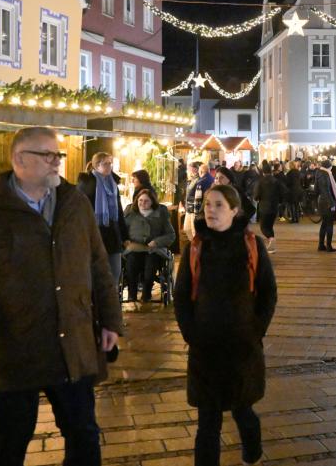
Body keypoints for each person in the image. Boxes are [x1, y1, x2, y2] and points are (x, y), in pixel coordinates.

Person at [0, 126, 121, 466]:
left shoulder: (75, 203)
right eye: (47, 155)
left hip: (73, 345)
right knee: (7, 446)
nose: (56, 162)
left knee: (84, 438)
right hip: (17, 351)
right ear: (18, 160)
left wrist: (111, 321)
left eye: (58, 155)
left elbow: (99, 266)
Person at [175, 182, 277, 466]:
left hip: (241, 347)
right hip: (205, 347)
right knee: (207, 423)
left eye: (219, 205)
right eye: (208, 204)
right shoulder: (195, 247)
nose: (211, 210)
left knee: (242, 410)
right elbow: (181, 295)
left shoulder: (252, 246)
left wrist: (257, 330)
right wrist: (190, 333)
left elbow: (268, 292)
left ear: (234, 210)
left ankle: (252, 454)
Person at [77, 152, 126, 288]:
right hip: (94, 233)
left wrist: (124, 235)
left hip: (112, 233)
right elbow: (80, 210)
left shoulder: (113, 184)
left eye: (110, 163)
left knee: (114, 273)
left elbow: (119, 211)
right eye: (106, 163)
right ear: (96, 165)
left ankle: (112, 303)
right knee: (94, 275)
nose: (109, 166)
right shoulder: (87, 183)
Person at [123, 185, 176, 307]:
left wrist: (157, 241)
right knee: (130, 267)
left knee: (150, 270)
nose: (143, 203)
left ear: (152, 201)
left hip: (154, 250)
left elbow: (171, 235)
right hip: (133, 248)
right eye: (140, 200)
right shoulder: (130, 212)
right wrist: (124, 240)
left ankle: (146, 293)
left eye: (146, 201)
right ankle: (132, 293)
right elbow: (122, 230)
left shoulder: (161, 213)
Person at [315, 159, 336, 252]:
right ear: (328, 166)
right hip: (327, 203)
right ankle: (329, 246)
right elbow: (326, 191)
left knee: (324, 224)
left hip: (321, 201)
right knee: (329, 224)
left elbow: (316, 190)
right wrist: (331, 204)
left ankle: (321, 245)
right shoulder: (326, 174)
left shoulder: (318, 173)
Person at [183, 163, 213, 244]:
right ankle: (194, 245)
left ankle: (195, 247)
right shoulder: (195, 179)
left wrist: (196, 212)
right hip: (191, 208)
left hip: (195, 209)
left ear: (199, 171)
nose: (188, 170)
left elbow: (198, 198)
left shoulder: (200, 181)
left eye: (190, 168)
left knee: (194, 232)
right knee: (188, 229)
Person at [255, 163, 281, 253]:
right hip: (274, 207)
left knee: (263, 227)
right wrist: (280, 200)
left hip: (264, 207)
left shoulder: (261, 181)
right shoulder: (276, 181)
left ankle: (271, 239)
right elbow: (284, 191)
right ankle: (272, 247)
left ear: (263, 172)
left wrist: (257, 198)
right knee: (270, 226)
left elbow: (256, 194)